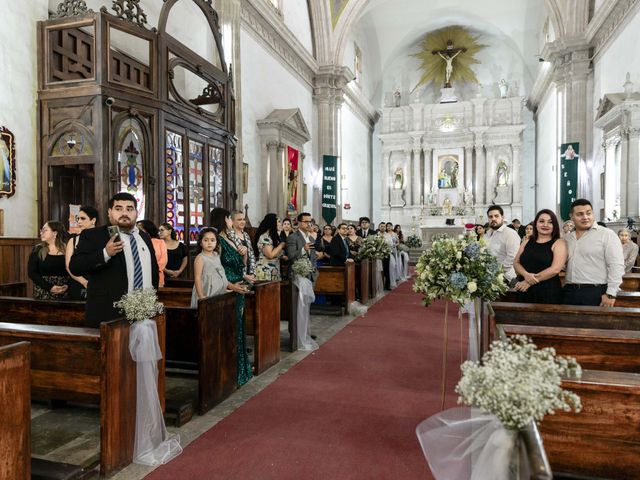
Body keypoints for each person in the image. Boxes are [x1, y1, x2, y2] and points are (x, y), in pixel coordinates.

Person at [69, 192, 159, 328]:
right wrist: (105, 253)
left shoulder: (144, 237)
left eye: (130, 209)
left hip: (143, 311)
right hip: (109, 314)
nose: (124, 213)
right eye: (118, 208)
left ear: (136, 212)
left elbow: (153, 271)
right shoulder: (94, 235)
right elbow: (75, 266)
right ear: (109, 212)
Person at [210, 207, 253, 386]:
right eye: (230, 218)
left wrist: (243, 256)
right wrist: (231, 285)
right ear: (224, 220)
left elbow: (238, 264)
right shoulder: (217, 240)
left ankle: (240, 369)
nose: (231, 221)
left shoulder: (230, 238)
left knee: (239, 329)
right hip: (227, 290)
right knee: (231, 331)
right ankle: (231, 372)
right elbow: (216, 269)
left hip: (239, 287)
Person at [562, 199, 625, 307]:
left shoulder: (607, 234)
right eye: (580, 214)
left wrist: (611, 294)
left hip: (595, 292)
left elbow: (616, 265)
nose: (585, 217)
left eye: (588, 213)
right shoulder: (567, 238)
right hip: (569, 290)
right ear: (571, 216)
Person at [513, 209, 567, 304]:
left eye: (550, 222)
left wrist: (529, 281)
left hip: (547, 291)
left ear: (554, 225)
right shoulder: (527, 241)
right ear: (536, 224)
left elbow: (555, 269)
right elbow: (516, 262)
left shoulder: (559, 243)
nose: (545, 225)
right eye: (541, 221)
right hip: (524, 288)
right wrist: (526, 275)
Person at [191, 228, 239, 308]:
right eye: (206, 240)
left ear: (216, 242)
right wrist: (201, 296)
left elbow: (221, 273)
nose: (209, 243)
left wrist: (229, 285)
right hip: (205, 291)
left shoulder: (216, 255)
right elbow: (197, 278)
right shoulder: (200, 258)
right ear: (201, 243)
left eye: (212, 240)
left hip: (218, 291)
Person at [29, 221, 69, 299]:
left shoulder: (68, 248)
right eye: (41, 230)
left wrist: (67, 286)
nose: (41, 233)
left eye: (45, 230)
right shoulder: (38, 249)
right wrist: (50, 287)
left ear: (55, 233)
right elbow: (32, 272)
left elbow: (75, 271)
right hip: (43, 291)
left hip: (65, 291)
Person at [65, 205, 98, 300]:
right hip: (77, 282)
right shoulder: (73, 240)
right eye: (78, 218)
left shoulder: (102, 238)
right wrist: (84, 282)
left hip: (98, 283)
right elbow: (68, 266)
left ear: (93, 220)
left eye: (83, 218)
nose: (79, 222)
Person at [485, 205, 521, 285]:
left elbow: (512, 257)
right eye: (490, 217)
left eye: (496, 216)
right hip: (489, 278)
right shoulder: (487, 234)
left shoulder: (510, 233)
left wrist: (496, 271)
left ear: (502, 217)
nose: (493, 219)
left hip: (506, 279)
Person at [254, 213, 287, 281]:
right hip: (265, 272)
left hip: (274, 271)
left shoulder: (273, 237)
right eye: (279, 221)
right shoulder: (264, 237)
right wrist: (281, 245)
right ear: (272, 223)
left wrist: (284, 257)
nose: (281, 224)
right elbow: (270, 255)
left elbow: (275, 253)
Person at [137, 220, 168, 287]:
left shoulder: (160, 242)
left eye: (140, 228)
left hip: (157, 276)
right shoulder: (135, 242)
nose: (137, 230)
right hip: (139, 276)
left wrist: (152, 269)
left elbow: (163, 261)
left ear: (148, 229)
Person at [227, 210, 256, 281]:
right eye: (239, 220)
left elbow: (251, 254)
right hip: (237, 274)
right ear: (232, 221)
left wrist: (253, 273)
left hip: (249, 272)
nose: (243, 222)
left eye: (243, 219)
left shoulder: (246, 235)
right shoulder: (229, 235)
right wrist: (243, 275)